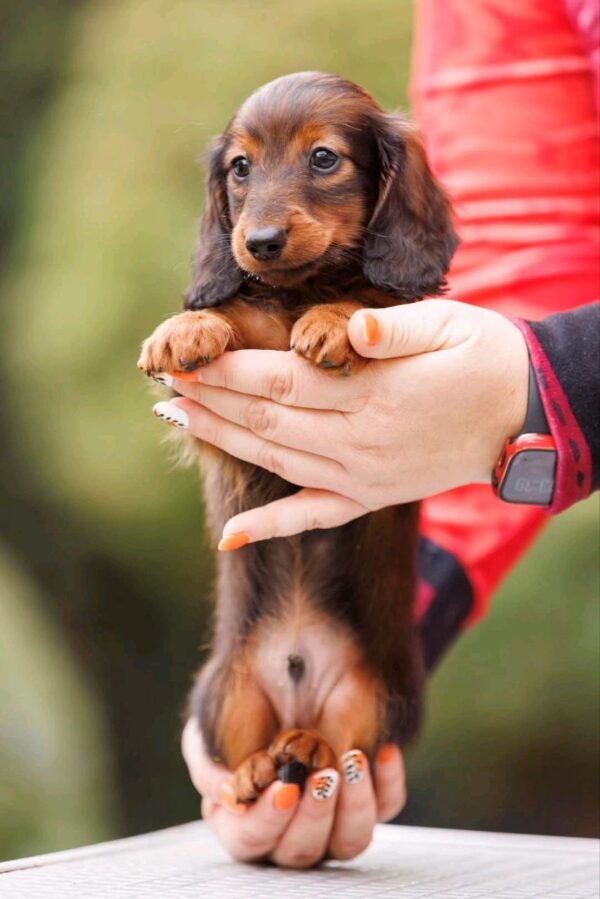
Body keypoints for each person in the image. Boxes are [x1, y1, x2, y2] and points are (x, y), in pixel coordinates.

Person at [157, 0, 600, 867]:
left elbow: (512, 367)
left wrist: (544, 386)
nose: (267, 214)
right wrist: (400, 620)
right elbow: (522, 271)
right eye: (246, 174)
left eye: (323, 161)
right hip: (288, 629)